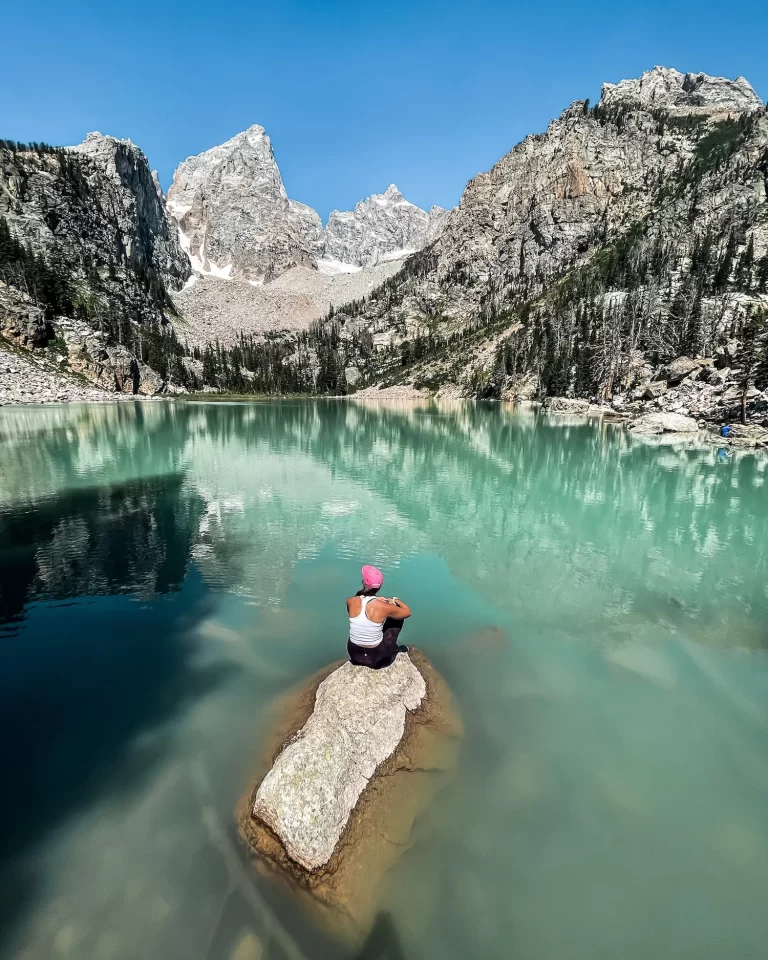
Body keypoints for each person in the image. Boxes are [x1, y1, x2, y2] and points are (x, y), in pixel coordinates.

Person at [347, 564, 411, 669]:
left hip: (354, 652)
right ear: (380, 586)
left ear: (363, 582)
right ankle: (391, 648)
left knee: (361, 624)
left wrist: (376, 600)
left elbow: (362, 606)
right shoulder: (384, 607)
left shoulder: (350, 601)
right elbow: (407, 612)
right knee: (397, 617)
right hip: (375, 657)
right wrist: (394, 601)